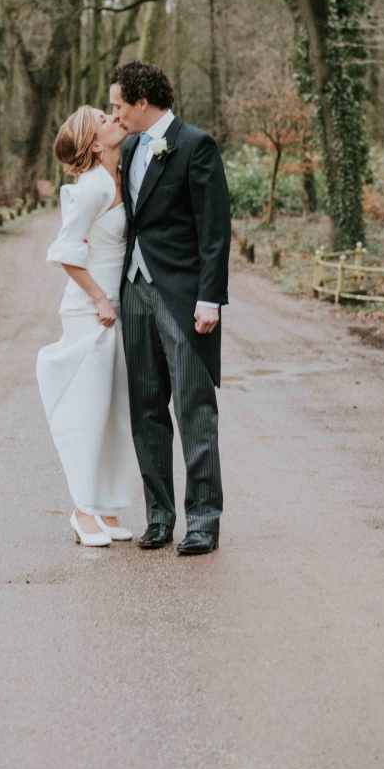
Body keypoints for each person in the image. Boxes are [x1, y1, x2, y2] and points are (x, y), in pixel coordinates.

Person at [110, 61, 231, 556]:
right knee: (145, 408)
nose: (114, 113)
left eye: (118, 104)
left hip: (182, 297)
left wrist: (210, 298)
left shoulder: (194, 145)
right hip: (135, 290)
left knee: (194, 408)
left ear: (142, 101)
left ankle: (203, 521)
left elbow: (215, 229)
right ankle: (158, 517)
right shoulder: (132, 146)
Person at [36, 106, 143, 547]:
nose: (113, 116)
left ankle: (107, 505)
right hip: (91, 311)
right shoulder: (90, 189)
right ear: (96, 143)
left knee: (116, 410)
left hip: (117, 307)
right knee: (89, 410)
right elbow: (64, 251)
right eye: (104, 118)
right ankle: (82, 510)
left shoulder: (123, 175)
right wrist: (99, 298)